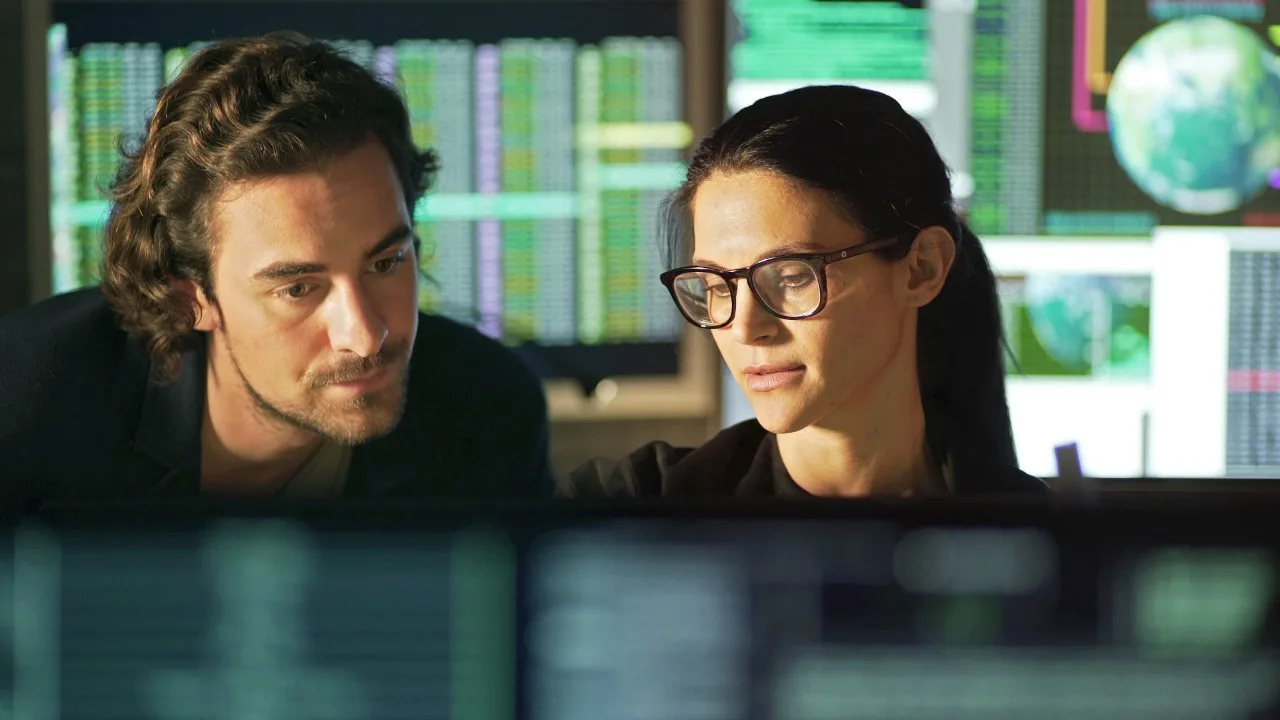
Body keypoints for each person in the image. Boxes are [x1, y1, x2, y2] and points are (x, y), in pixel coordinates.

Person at [0, 32, 553, 503]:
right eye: (298, 288)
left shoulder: (489, 414)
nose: (364, 335)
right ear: (186, 297)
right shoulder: (28, 409)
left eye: (385, 262)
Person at [563, 85, 1045, 498]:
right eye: (716, 285)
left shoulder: (1039, 543)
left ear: (921, 268)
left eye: (792, 276)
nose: (747, 328)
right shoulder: (632, 509)